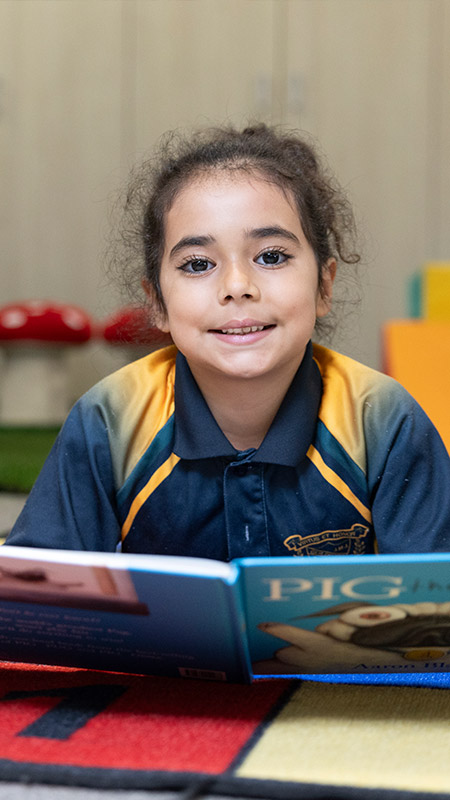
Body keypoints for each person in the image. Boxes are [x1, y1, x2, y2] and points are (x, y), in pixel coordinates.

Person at [7, 124, 450, 556]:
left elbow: (432, 595)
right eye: (198, 264)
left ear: (324, 285)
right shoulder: (109, 419)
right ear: (157, 303)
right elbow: (36, 589)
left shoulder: (384, 419)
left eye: (271, 256)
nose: (237, 286)